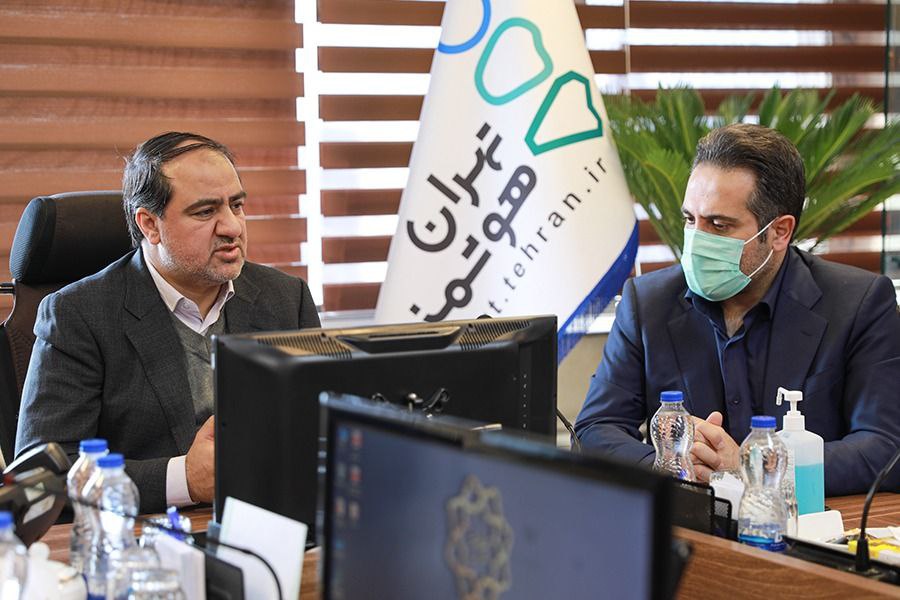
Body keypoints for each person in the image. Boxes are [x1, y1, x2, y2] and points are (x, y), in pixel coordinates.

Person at [574, 123, 900, 495]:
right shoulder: (647, 303)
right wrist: (672, 466)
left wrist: (753, 466)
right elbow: (595, 430)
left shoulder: (858, 303)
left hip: (804, 523)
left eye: (719, 224)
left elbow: (886, 448)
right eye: (690, 219)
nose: (698, 239)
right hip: (689, 522)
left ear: (780, 232)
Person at [15, 132, 321, 512]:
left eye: (237, 205)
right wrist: (183, 480)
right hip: (145, 534)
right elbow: (40, 480)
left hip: (269, 523)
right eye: (205, 212)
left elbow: (322, 435)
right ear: (150, 225)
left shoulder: (286, 298)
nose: (232, 227)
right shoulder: (78, 315)